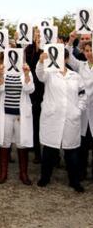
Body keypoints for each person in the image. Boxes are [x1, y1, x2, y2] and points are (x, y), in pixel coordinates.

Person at [36, 49, 87, 192]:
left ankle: (74, 181)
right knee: (49, 151)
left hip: (71, 117)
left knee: (71, 152)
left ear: (65, 59)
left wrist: (78, 110)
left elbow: (83, 95)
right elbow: (39, 75)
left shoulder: (75, 76)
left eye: (62, 57)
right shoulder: (49, 74)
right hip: (53, 117)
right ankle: (45, 178)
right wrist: (41, 61)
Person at [0, 55, 34, 185]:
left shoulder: (25, 70)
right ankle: (3, 173)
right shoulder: (3, 70)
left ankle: (23, 174)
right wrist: (0, 75)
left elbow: (30, 89)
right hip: (6, 113)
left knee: (21, 143)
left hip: (20, 115)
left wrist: (27, 75)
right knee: (4, 143)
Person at [67, 33, 93, 181]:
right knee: (83, 144)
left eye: (91, 50)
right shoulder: (81, 65)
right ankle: (81, 172)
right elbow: (69, 56)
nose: (89, 53)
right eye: (87, 50)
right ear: (83, 51)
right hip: (83, 110)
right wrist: (71, 39)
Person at [24, 28, 44, 163]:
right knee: (33, 121)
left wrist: (41, 48)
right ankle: (35, 150)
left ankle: (47, 154)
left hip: (44, 89)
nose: (37, 36)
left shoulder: (48, 48)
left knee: (43, 122)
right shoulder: (29, 49)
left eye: (39, 34)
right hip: (32, 88)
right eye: (35, 34)